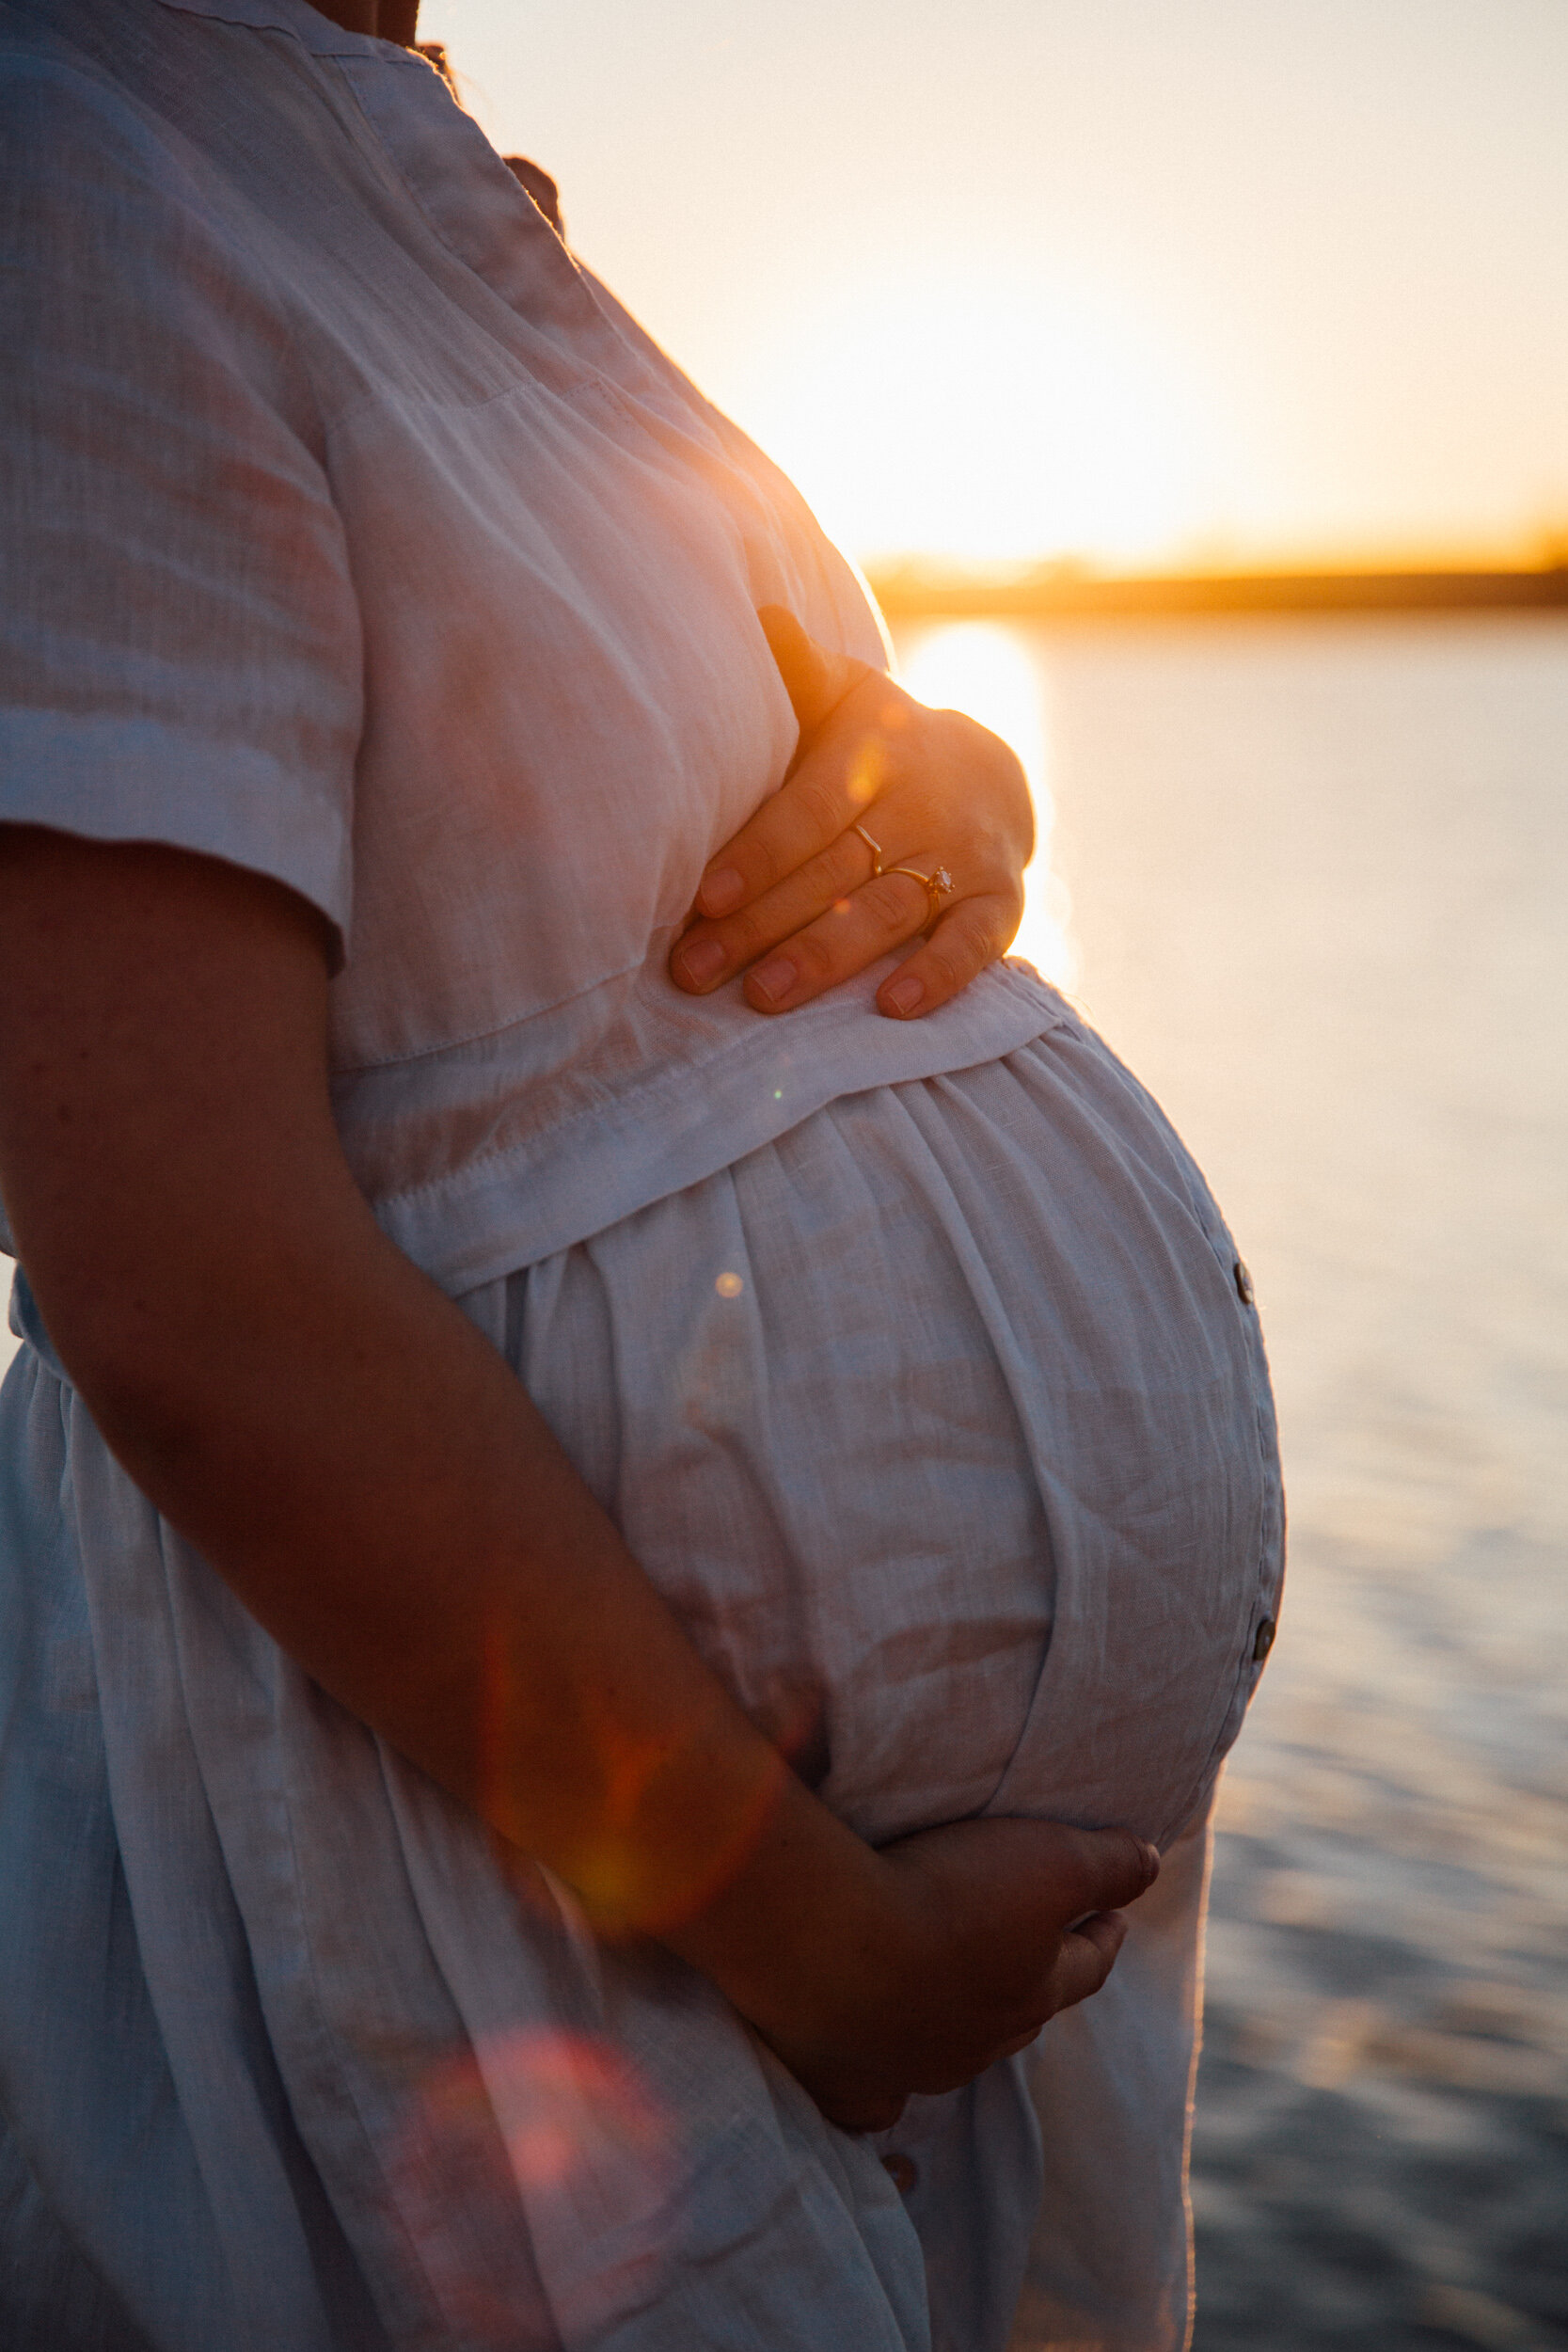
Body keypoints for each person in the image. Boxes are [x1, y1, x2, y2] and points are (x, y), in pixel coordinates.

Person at [0, 0, 1283, 2345]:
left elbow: (711, 794)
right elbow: (175, 1274)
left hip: (769, 1942)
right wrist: (817, 1937)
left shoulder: (408, 165)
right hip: (527, 1924)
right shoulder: (73, 163)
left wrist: (958, 778)